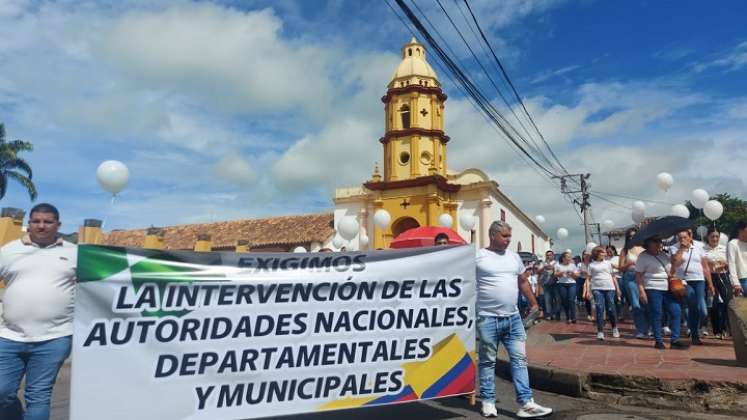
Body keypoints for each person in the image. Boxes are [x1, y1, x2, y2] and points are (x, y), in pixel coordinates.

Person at [0, 203, 77, 420]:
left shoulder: (75, 253)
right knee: (2, 392)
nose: (41, 226)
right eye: (36, 221)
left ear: (58, 225)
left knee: (39, 396)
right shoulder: (8, 251)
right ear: (29, 224)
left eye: (48, 221)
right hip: (9, 336)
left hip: (55, 338)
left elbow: (102, 282)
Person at [476, 221, 552, 418]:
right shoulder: (478, 256)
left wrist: (534, 304)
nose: (509, 240)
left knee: (519, 360)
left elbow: (523, 282)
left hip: (513, 318)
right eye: (505, 236)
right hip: (487, 319)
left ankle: (526, 403)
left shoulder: (514, 257)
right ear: (492, 236)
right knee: (487, 362)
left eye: (510, 236)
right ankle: (488, 401)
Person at [636, 237, 689, 350]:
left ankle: (674, 340)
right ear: (648, 243)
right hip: (652, 287)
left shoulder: (663, 255)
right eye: (655, 241)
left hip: (668, 287)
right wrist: (641, 291)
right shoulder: (642, 257)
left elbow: (671, 271)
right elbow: (639, 276)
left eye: (659, 241)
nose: (658, 243)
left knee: (676, 311)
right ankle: (658, 341)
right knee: (657, 313)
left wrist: (675, 262)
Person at [670, 229, 715, 345]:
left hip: (699, 280)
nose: (682, 240)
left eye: (684, 237)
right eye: (680, 238)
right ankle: (694, 334)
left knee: (701, 310)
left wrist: (710, 284)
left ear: (690, 237)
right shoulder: (674, 248)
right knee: (693, 305)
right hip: (684, 281)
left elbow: (705, 267)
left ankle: (694, 331)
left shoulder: (699, 248)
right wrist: (681, 249)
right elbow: (675, 265)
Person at [619, 227, 649, 339]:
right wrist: (628, 264)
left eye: (634, 236)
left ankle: (648, 328)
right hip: (630, 277)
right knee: (635, 304)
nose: (632, 238)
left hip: (644, 277)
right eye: (630, 236)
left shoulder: (644, 249)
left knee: (645, 303)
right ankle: (640, 329)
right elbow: (620, 267)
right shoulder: (625, 250)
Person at [586, 246, 621, 340]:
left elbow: (613, 276)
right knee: (599, 308)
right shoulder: (591, 265)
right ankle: (600, 331)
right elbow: (588, 279)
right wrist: (588, 291)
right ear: (597, 253)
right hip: (597, 288)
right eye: (602, 252)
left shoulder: (608, 263)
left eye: (605, 252)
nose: (605, 254)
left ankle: (614, 328)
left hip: (610, 288)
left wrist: (618, 289)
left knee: (611, 308)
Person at [703, 227, 730, 339]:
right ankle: (716, 330)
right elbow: (702, 265)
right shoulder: (703, 249)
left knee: (726, 303)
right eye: (712, 236)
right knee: (713, 305)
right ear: (708, 237)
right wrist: (709, 265)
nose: (715, 239)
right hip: (710, 278)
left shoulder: (724, 249)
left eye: (717, 236)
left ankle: (724, 328)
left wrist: (723, 265)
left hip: (723, 277)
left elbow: (729, 263)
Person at [554, 252, 579, 324]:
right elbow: (555, 274)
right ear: (563, 258)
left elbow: (577, 275)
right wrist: (562, 272)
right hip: (562, 284)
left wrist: (572, 273)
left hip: (572, 284)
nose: (569, 258)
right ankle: (568, 317)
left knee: (571, 300)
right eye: (568, 257)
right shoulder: (558, 265)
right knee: (565, 301)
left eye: (570, 257)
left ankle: (573, 317)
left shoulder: (573, 265)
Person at [727, 221, 747, 295]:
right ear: (740, 230)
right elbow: (731, 264)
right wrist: (735, 283)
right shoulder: (733, 244)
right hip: (743, 279)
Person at [538, 251, 558, 320]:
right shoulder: (543, 263)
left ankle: (555, 313)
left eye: (550, 255)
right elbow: (538, 271)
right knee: (547, 300)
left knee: (556, 300)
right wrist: (544, 267)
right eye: (547, 255)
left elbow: (558, 271)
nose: (548, 256)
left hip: (555, 283)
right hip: (546, 284)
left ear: (553, 255)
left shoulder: (556, 263)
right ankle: (549, 314)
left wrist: (553, 268)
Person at [577, 251, 593, 321]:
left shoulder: (592, 263)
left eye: (588, 254)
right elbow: (577, 273)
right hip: (582, 280)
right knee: (587, 298)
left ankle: (595, 313)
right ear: (582, 256)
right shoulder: (580, 264)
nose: (586, 256)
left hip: (592, 281)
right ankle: (589, 313)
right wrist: (582, 272)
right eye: (585, 254)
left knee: (593, 298)